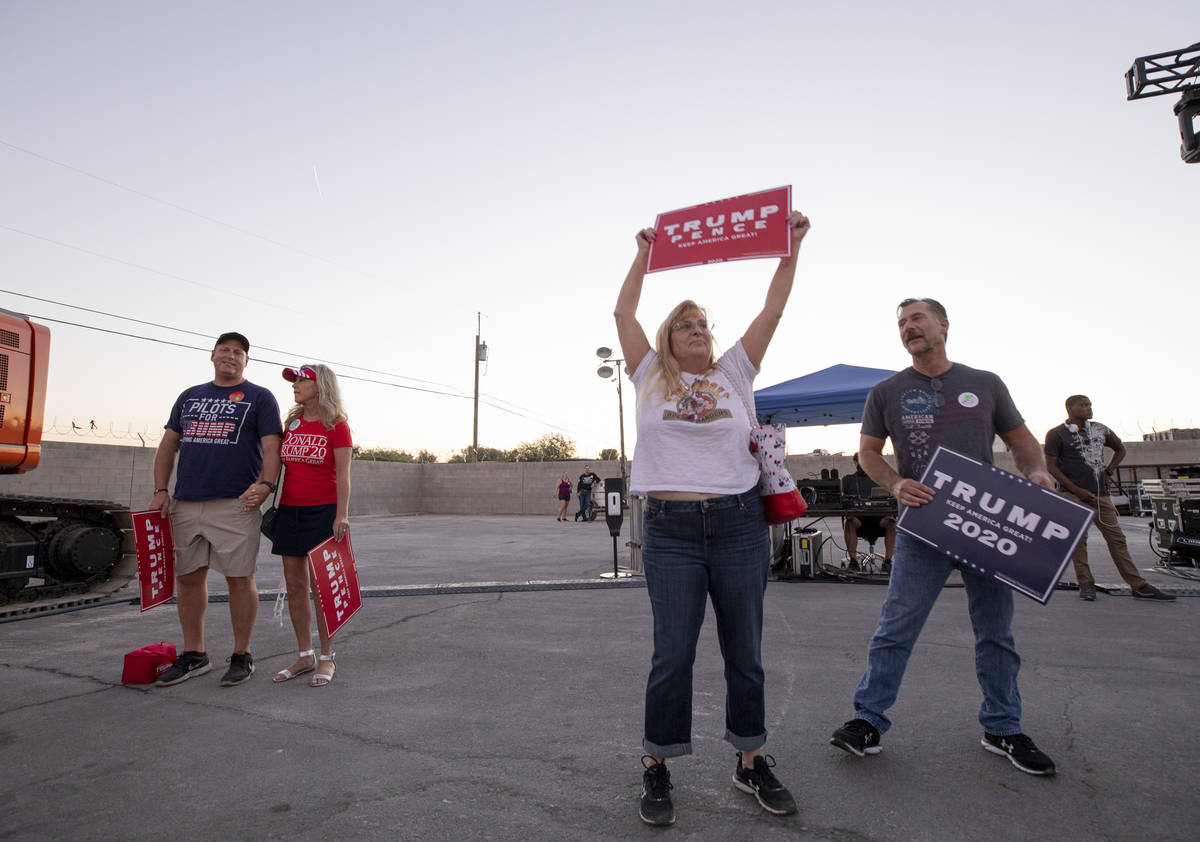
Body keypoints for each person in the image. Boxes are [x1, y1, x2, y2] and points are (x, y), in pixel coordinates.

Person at [616, 211, 811, 825]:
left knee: (744, 651)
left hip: (738, 526)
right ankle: (657, 766)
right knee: (672, 653)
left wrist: (791, 250)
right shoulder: (648, 375)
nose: (698, 330)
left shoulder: (734, 373)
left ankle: (750, 760)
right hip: (671, 532)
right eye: (687, 325)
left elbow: (771, 312)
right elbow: (623, 316)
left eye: (704, 323)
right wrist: (644, 255)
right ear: (670, 338)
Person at [829, 298, 1059, 777]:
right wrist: (894, 483)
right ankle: (867, 721)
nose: (908, 328)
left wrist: (1037, 472)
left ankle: (1002, 727)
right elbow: (868, 452)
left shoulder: (985, 383)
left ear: (944, 325)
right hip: (922, 527)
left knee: (995, 632)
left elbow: (1020, 440)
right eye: (901, 323)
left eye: (917, 319)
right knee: (896, 627)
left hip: (986, 526)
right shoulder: (887, 391)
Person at [151, 332, 283, 687]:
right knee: (189, 578)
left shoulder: (260, 397)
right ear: (212, 355)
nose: (230, 356)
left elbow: (273, 449)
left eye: (238, 352)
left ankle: (242, 655)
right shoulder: (190, 396)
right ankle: (195, 655)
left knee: (240, 579)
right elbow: (168, 445)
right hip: (186, 502)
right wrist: (161, 490)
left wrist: (266, 486)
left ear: (246, 361)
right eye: (224, 350)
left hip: (236, 504)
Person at [271, 364, 355, 688]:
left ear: (320, 385)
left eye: (301, 380)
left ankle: (327, 656)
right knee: (295, 587)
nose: (295, 385)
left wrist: (341, 514)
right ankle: (305, 654)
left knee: (322, 590)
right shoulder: (291, 422)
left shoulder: (337, 425)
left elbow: (344, 476)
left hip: (322, 513)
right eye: (295, 381)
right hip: (289, 511)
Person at [1044, 395, 1174, 602]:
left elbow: (1120, 449)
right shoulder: (1056, 434)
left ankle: (1138, 584)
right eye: (1083, 405)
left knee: (1117, 539)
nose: (1089, 408)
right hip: (1071, 495)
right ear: (1070, 408)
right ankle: (1085, 583)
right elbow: (1051, 466)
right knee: (1078, 541)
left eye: (1090, 405)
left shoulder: (1100, 429)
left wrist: (1109, 470)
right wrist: (1076, 490)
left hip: (1100, 495)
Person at [840, 452, 896, 571]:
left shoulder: (881, 478)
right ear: (855, 462)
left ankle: (887, 561)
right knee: (849, 523)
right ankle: (854, 561)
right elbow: (841, 500)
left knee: (892, 523)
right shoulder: (848, 480)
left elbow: (893, 497)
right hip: (858, 519)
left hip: (879, 517)